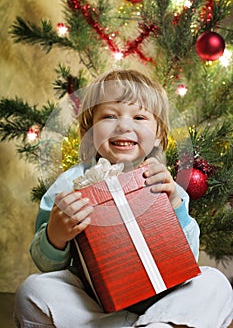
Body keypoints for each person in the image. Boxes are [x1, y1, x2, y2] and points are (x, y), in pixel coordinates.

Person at [14, 69, 233, 328]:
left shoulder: (163, 183)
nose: (124, 126)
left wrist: (175, 206)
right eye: (109, 116)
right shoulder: (68, 185)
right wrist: (56, 235)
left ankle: (157, 323)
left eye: (139, 117)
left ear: (159, 134)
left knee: (215, 283)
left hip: (161, 298)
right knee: (32, 291)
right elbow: (45, 265)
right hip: (93, 302)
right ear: (89, 129)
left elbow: (188, 260)